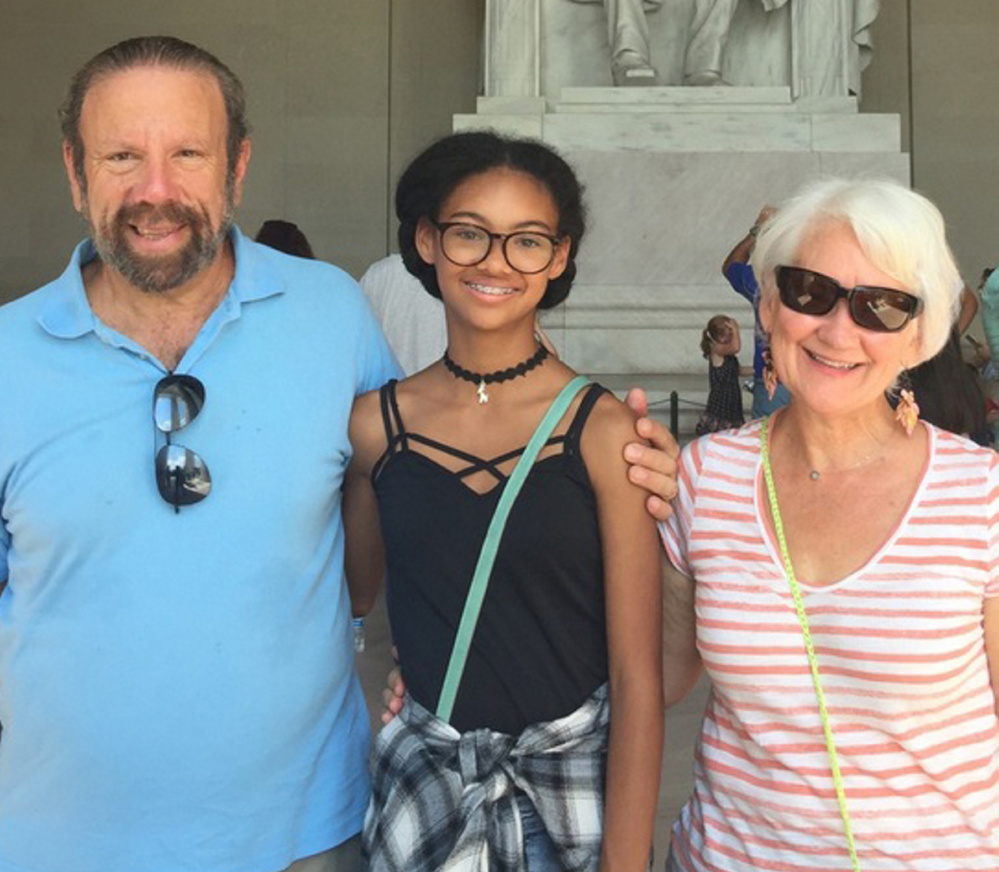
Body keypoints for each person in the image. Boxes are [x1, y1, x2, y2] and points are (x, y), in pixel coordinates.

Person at [0, 35, 680, 872]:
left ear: (236, 166)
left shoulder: (330, 316)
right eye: (119, 156)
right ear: (74, 172)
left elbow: (436, 508)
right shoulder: (6, 358)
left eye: (187, 153)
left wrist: (642, 474)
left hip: (305, 838)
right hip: (55, 840)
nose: (156, 190)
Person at [346, 131, 664, 871]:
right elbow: (360, 593)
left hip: (568, 807)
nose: (494, 262)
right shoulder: (375, 426)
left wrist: (624, 862)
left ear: (558, 257)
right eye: (468, 234)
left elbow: (636, 679)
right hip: (425, 800)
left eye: (525, 241)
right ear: (426, 241)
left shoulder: (603, 429)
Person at [661, 177, 999, 870]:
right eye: (808, 291)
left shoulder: (980, 496)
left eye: (882, 305)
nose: (837, 330)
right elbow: (652, 676)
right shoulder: (702, 479)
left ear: (917, 336)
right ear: (765, 302)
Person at [723, 205, 791, 418]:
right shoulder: (821, 284)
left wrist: (757, 230)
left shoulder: (761, 282)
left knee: (768, 447)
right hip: (811, 378)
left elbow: (731, 265)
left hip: (772, 380)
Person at [694, 314, 746, 435]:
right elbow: (736, 348)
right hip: (721, 406)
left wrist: (757, 370)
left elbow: (737, 371)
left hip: (733, 404)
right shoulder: (716, 350)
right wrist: (736, 328)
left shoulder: (728, 356)